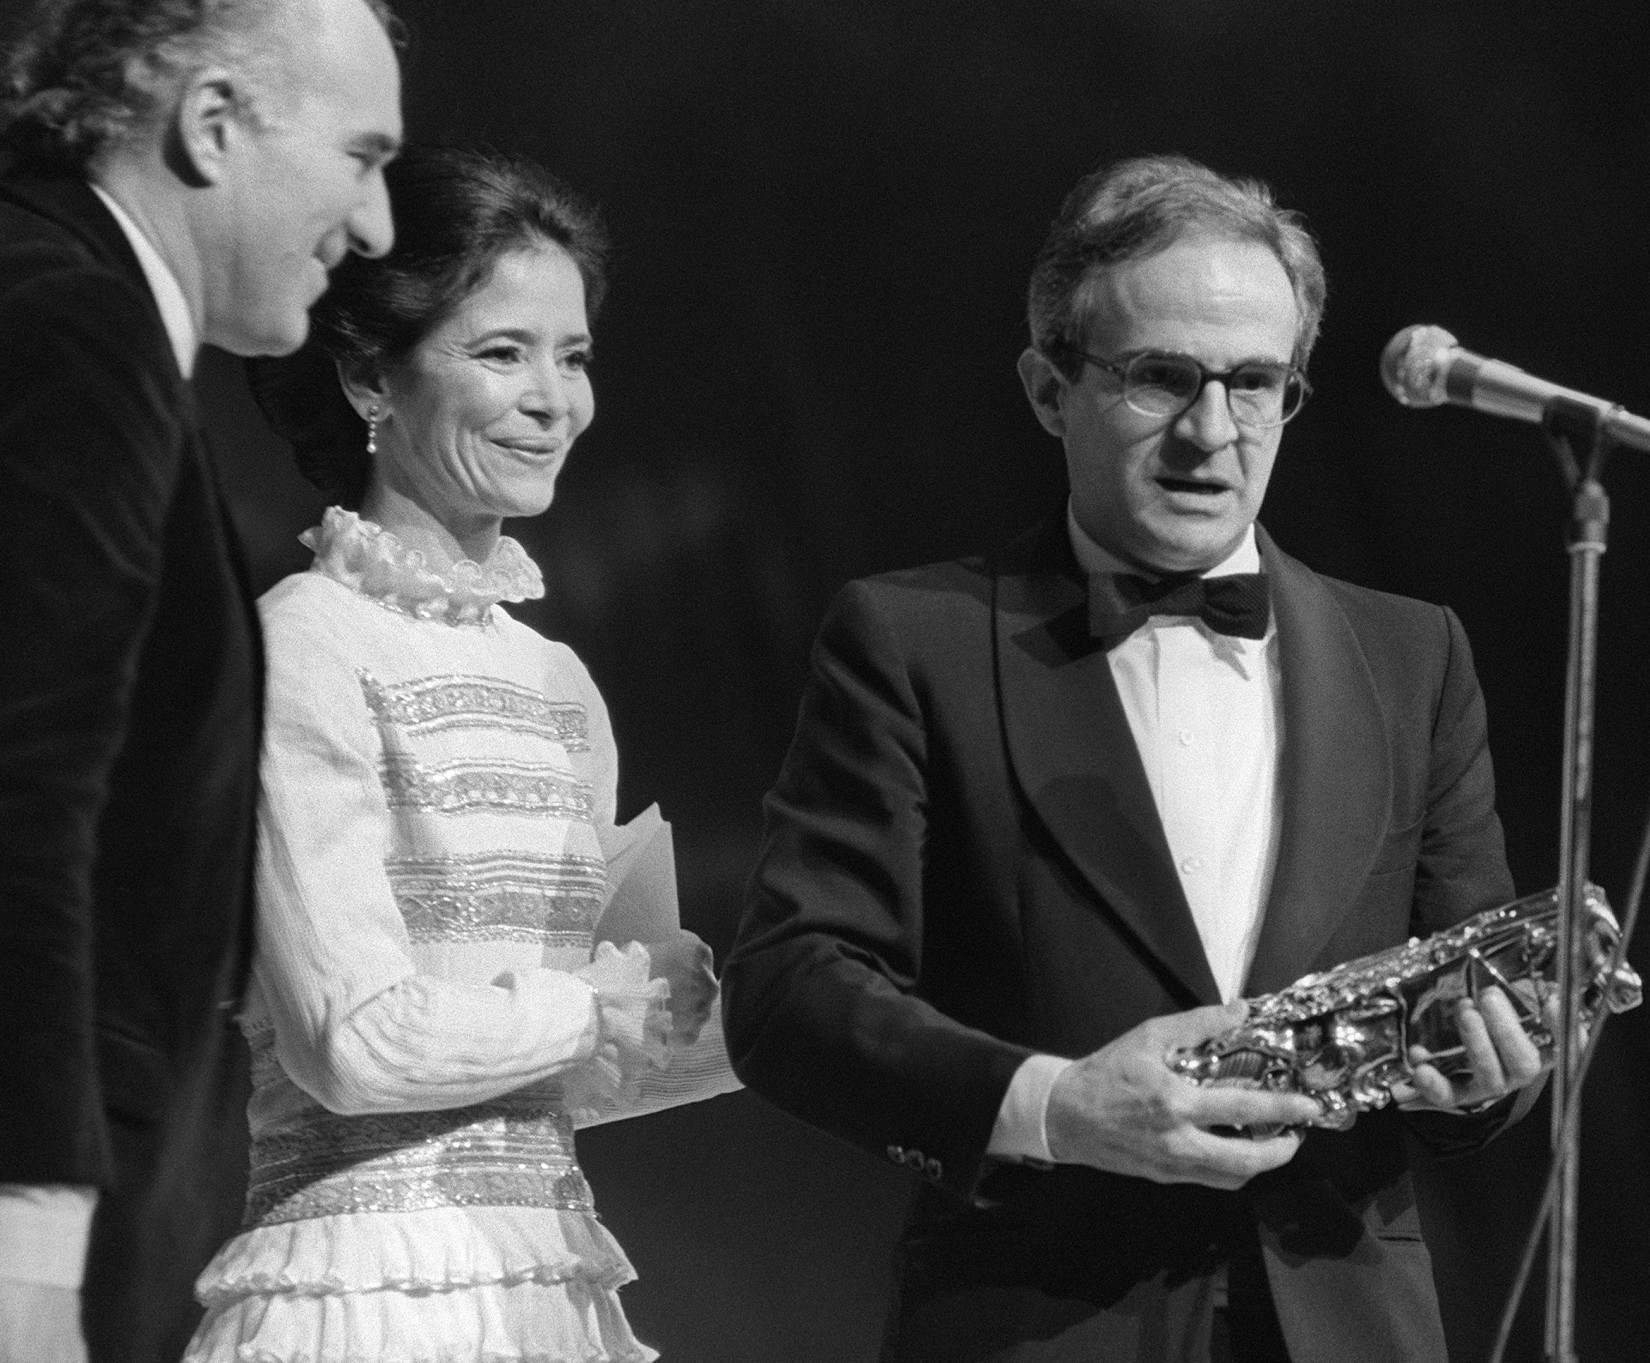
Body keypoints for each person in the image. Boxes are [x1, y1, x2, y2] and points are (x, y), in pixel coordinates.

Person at [724, 154, 1551, 1362]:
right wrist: (1057, 1106)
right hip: (1038, 1325)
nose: (1210, 432)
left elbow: (1469, 995)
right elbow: (789, 990)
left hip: (1347, 1327)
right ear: (1047, 386)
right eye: (1161, 377)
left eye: (1254, 383)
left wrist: (1487, 1072)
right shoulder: (910, 640)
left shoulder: (1411, 654)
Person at [176, 144, 737, 1363]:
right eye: (502, 352)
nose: (555, 398)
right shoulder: (306, 644)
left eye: (573, 355)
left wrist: (750, 1016)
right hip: (361, 1293)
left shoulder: (556, 683)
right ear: (371, 374)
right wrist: (600, 1002)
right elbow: (357, 1041)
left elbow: (577, 1074)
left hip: (547, 1281)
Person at [0, 2, 401, 1360]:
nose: (379, 224)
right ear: (214, 123)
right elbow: (22, 800)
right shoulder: (73, 323)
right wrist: (29, 1246)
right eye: (362, 156)